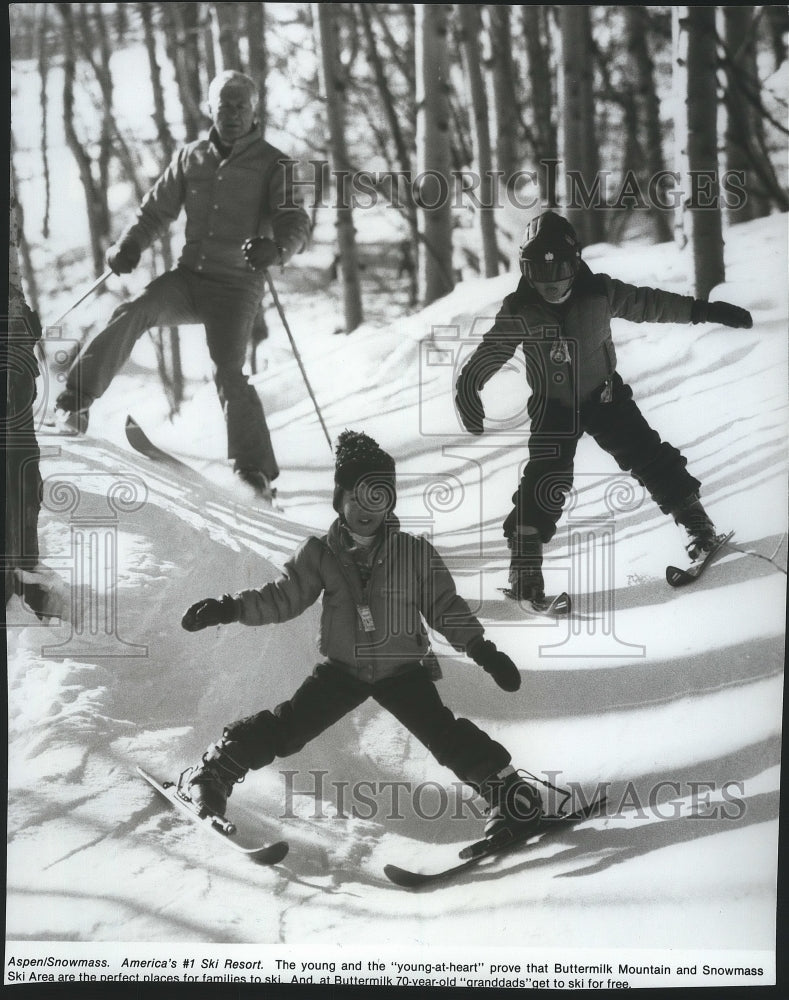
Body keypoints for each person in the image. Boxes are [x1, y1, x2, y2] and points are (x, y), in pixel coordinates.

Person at [178, 430, 544, 843]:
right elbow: (283, 597)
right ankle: (213, 772)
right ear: (341, 499)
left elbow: (445, 608)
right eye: (359, 497)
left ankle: (512, 795)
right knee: (289, 728)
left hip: (403, 670)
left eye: (380, 497)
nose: (368, 509)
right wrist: (229, 607)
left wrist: (482, 650)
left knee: (445, 737)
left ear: (389, 503)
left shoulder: (414, 553)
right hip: (343, 671)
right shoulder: (320, 554)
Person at [455, 210, 753, 603]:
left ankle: (696, 526)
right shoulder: (520, 310)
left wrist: (704, 311)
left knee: (649, 457)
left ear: (575, 262)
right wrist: (469, 385)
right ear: (526, 271)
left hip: (605, 396)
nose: (551, 284)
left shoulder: (599, 292)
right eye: (538, 273)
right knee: (545, 482)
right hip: (552, 408)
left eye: (560, 269)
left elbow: (651, 304)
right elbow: (491, 351)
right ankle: (524, 567)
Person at [55, 70, 311, 501]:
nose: (231, 114)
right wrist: (129, 246)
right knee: (133, 311)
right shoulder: (191, 157)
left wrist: (277, 249)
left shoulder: (274, 164)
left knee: (227, 369)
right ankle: (74, 403)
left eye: (240, 106)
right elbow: (155, 212)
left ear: (253, 112)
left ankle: (255, 473)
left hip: (237, 285)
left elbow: (296, 221)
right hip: (190, 279)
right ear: (210, 108)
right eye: (223, 105)